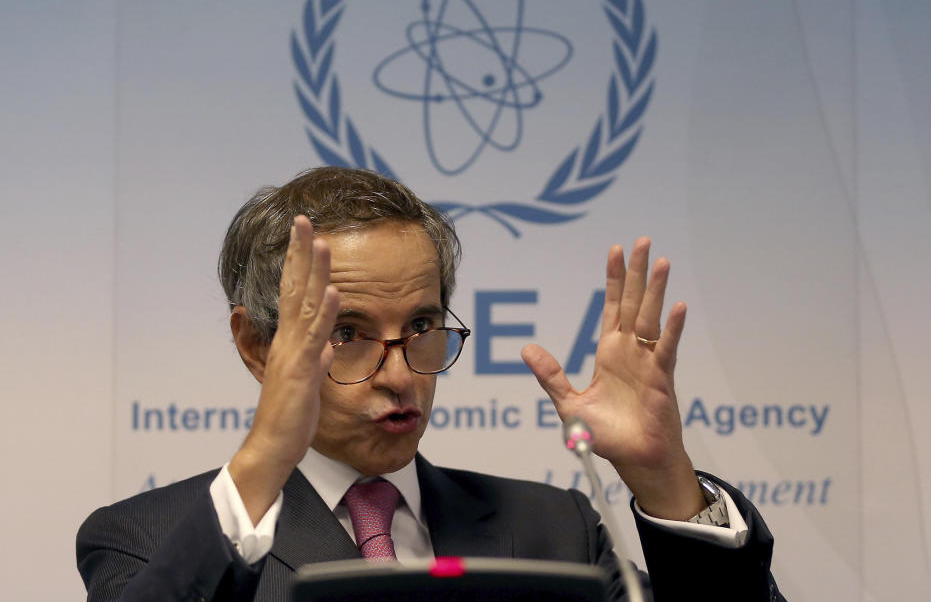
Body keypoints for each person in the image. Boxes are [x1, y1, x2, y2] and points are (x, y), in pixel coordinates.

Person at [77, 167, 784, 601]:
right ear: (257, 345)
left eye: (420, 326)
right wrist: (265, 456)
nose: (398, 376)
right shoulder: (146, 538)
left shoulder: (553, 530)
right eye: (347, 333)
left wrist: (663, 480)